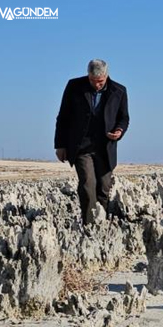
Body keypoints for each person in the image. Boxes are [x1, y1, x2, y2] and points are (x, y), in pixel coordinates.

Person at [54, 59, 130, 226]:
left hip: (105, 147)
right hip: (81, 146)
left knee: (103, 187)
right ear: (88, 75)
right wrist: (60, 145)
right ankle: (89, 225)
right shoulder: (74, 86)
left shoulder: (119, 91)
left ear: (106, 76)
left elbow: (124, 118)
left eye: (100, 82)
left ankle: (101, 222)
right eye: (92, 81)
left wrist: (119, 130)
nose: (96, 85)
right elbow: (63, 116)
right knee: (88, 184)